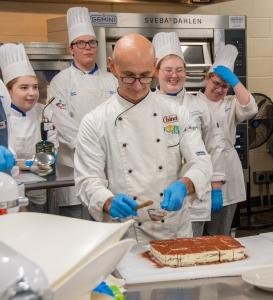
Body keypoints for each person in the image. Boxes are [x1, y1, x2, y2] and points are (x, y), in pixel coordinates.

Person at [74, 33, 213, 244]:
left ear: (155, 68)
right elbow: (87, 180)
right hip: (125, 234)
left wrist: (184, 185)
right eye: (128, 76)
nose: (138, 85)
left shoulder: (176, 113)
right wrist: (107, 201)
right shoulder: (95, 121)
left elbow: (201, 162)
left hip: (174, 230)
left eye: (146, 76)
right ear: (112, 67)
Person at [152, 32, 225, 236]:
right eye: (167, 70)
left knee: (193, 252)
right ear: (156, 71)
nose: (174, 75)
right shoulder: (147, 106)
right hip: (161, 194)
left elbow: (214, 145)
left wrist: (216, 184)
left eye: (179, 70)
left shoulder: (200, 105)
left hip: (196, 193)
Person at [49, 7, 117, 219]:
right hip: (74, 169)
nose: (87, 47)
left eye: (92, 42)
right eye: (81, 43)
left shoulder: (112, 80)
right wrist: (92, 151)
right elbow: (63, 125)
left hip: (110, 166)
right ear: (71, 49)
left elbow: (119, 120)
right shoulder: (60, 81)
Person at [199, 44, 258, 235]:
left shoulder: (231, 103)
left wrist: (234, 81)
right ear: (206, 79)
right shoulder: (192, 102)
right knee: (196, 234)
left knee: (221, 233)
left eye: (225, 86)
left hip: (227, 170)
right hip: (201, 170)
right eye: (216, 83)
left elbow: (251, 109)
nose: (219, 89)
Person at [0, 43, 57, 212]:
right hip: (10, 192)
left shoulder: (45, 112)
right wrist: (33, 162)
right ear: (9, 91)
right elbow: (9, 162)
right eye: (24, 88)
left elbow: (50, 157)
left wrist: (26, 163)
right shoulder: (4, 118)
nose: (32, 93)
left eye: (34, 87)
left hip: (41, 191)